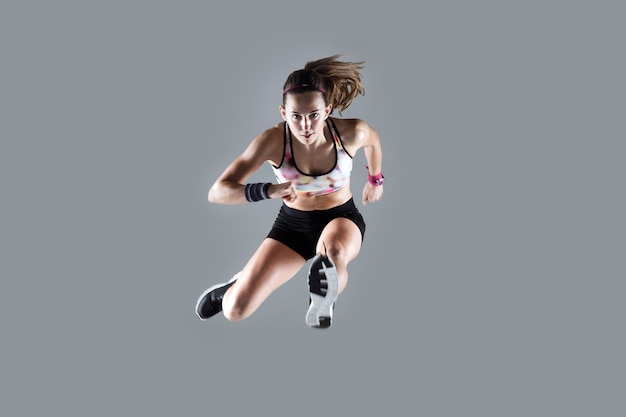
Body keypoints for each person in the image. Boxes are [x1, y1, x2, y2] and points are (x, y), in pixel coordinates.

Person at [195, 55, 384, 328]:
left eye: (314, 116)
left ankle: (322, 300)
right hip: (292, 228)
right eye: (296, 116)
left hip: (341, 218)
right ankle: (232, 288)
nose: (305, 126)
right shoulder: (273, 140)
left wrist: (375, 180)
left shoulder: (351, 132)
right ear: (284, 113)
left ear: (328, 110)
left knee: (333, 253)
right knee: (235, 310)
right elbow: (218, 192)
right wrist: (269, 190)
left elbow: (374, 143)